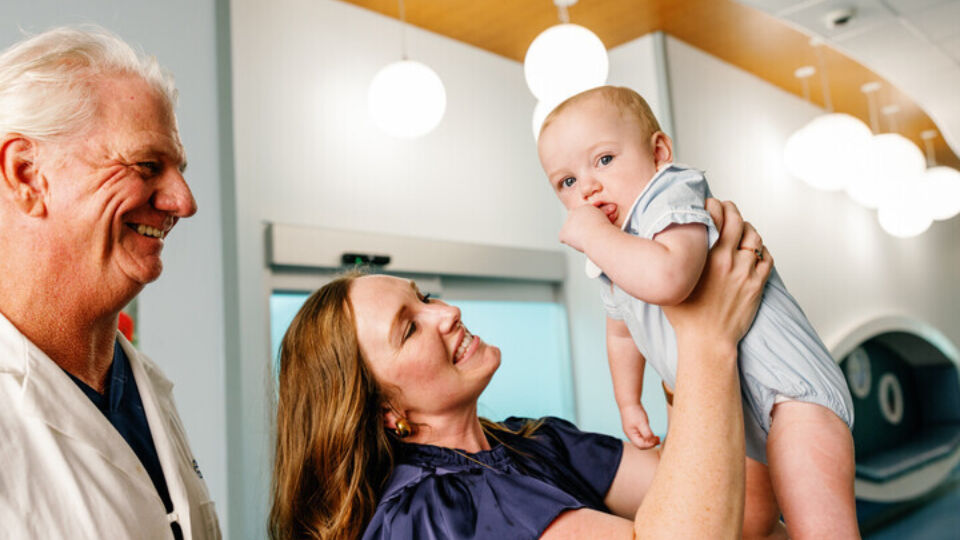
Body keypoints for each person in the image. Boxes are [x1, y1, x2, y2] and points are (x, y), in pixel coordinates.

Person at [270, 199, 771, 539]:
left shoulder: (535, 442)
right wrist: (705, 340)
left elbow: (746, 508)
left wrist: (678, 354)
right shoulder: (434, 512)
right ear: (383, 410)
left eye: (422, 297)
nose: (446, 313)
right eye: (410, 328)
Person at [536, 85, 858, 539]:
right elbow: (622, 335)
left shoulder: (669, 196)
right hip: (732, 408)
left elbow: (671, 279)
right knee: (751, 526)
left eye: (604, 160)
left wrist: (593, 237)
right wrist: (628, 401)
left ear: (659, 152)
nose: (587, 188)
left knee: (820, 529)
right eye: (566, 182)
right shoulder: (616, 251)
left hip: (793, 398)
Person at [0, 27, 221, 539]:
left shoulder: (142, 388)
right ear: (27, 173)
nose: (183, 203)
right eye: (148, 166)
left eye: (178, 170)